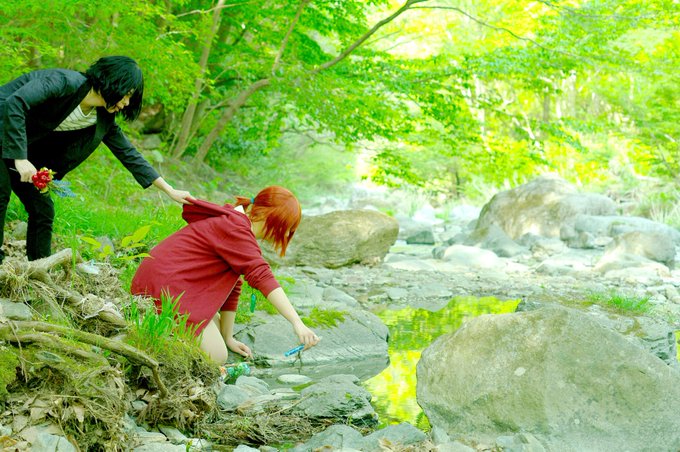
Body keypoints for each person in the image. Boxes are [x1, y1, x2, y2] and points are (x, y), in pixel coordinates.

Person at [0, 55, 191, 263]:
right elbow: (15, 102)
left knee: (43, 210)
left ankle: (39, 268)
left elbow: (130, 155)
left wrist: (169, 190)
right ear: (113, 81)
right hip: (6, 131)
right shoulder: (64, 82)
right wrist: (20, 158)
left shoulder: (102, 118)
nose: (126, 103)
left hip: (22, 151)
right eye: (126, 95)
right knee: (0, 192)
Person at [130, 186, 320, 362]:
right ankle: (155, 334)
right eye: (283, 227)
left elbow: (233, 285)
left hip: (169, 283)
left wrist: (228, 337)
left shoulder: (235, 222)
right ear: (267, 215)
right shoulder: (235, 228)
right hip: (162, 288)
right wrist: (297, 322)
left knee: (217, 329)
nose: (283, 234)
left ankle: (169, 327)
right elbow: (262, 276)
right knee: (217, 356)